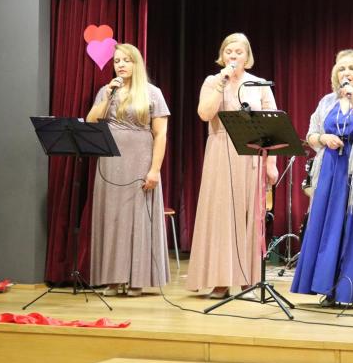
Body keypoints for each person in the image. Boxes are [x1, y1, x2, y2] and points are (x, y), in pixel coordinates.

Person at [291, 49, 353, 309]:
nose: (347, 73)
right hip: (333, 167)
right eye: (342, 69)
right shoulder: (326, 102)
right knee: (330, 226)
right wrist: (323, 138)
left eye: (352, 68)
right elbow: (311, 134)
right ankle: (330, 288)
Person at [186, 33, 278, 299]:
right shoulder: (212, 81)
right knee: (220, 214)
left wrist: (271, 163)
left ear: (247, 57)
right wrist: (220, 83)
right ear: (222, 55)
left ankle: (248, 280)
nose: (234, 56)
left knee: (249, 216)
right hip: (220, 150)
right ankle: (220, 280)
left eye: (239, 52)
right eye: (229, 51)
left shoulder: (259, 84)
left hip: (251, 154)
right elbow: (205, 113)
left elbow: (273, 124)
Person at [86, 43, 170, 297]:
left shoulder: (152, 93)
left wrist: (155, 170)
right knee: (112, 218)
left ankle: (137, 280)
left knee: (138, 218)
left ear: (137, 63)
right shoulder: (107, 91)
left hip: (140, 159)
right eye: (117, 61)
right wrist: (107, 96)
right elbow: (91, 121)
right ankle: (112, 279)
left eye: (126, 60)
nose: (120, 65)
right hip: (111, 162)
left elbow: (161, 134)